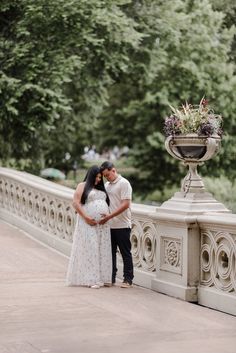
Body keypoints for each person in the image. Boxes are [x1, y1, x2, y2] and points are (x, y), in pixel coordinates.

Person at [66, 165, 112, 289]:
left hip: (103, 225)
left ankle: (103, 277)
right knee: (91, 249)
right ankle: (92, 279)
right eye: (96, 177)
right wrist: (86, 217)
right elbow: (76, 203)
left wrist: (107, 215)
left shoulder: (101, 189)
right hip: (87, 223)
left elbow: (106, 203)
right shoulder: (82, 186)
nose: (98, 180)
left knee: (102, 249)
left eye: (100, 178)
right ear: (91, 175)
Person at [99, 161, 133, 288]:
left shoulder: (124, 183)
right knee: (110, 253)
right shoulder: (107, 185)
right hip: (109, 225)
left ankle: (128, 279)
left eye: (108, 174)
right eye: (105, 176)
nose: (107, 177)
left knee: (125, 253)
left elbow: (126, 204)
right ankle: (111, 277)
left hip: (122, 224)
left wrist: (110, 216)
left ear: (113, 170)